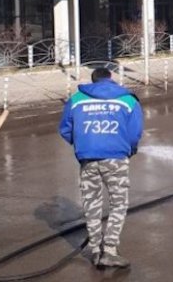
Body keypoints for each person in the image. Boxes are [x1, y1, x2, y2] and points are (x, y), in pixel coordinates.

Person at [59, 67, 143, 269]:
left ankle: (96, 250)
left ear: (93, 80)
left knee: (92, 204)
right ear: (111, 79)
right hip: (116, 159)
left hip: (87, 159)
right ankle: (110, 251)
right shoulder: (128, 100)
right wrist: (130, 149)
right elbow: (135, 132)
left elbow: (65, 129)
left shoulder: (77, 99)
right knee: (118, 203)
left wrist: (84, 145)